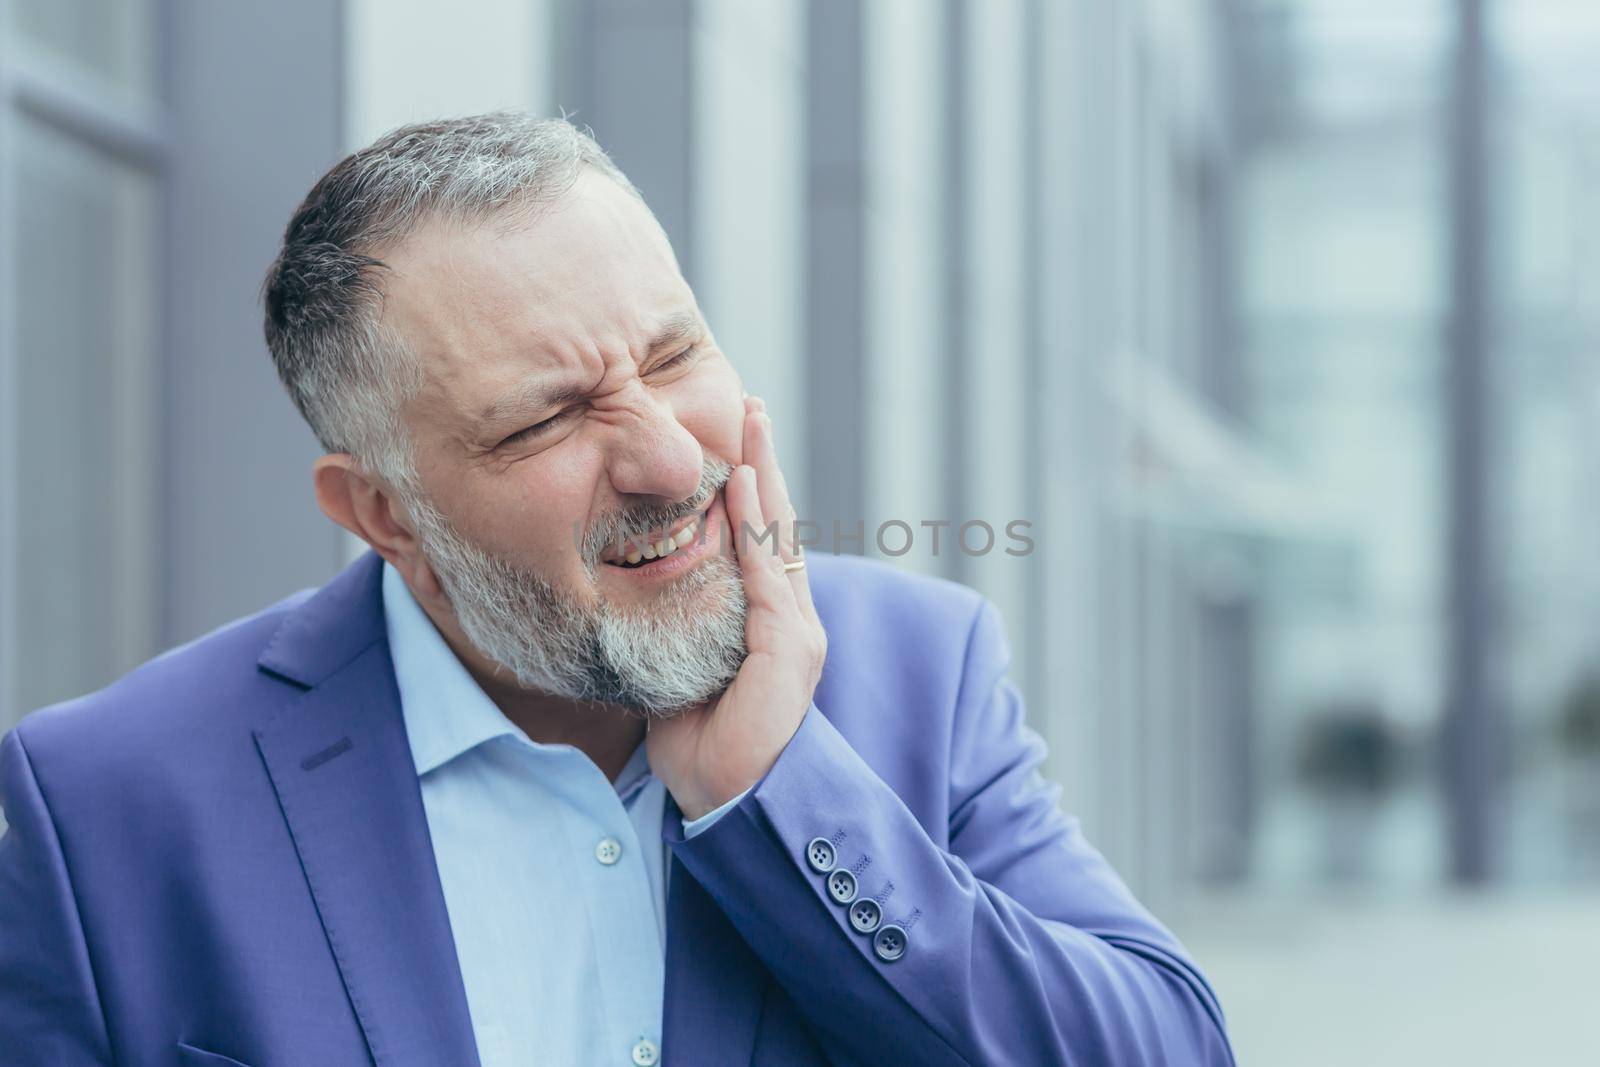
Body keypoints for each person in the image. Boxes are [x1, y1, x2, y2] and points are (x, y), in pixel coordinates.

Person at [0, 113, 1233, 1066]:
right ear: (383, 512)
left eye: (673, 354)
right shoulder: (106, 805)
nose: (668, 457)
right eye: (548, 419)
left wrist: (778, 796)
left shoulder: (920, 665)